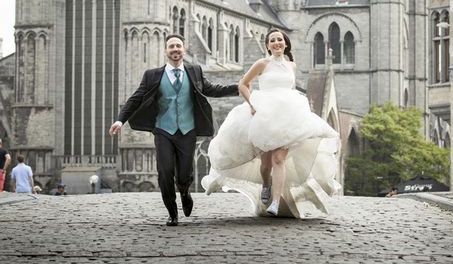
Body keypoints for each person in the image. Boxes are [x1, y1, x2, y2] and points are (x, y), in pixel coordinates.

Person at [201, 28, 340, 218]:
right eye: (273, 40)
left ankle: (275, 202)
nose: (277, 43)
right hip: (265, 115)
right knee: (266, 164)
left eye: (280, 40)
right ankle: (266, 184)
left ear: (285, 43)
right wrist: (250, 104)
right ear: (267, 45)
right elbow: (243, 83)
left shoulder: (292, 66)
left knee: (279, 159)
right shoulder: (262, 63)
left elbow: (289, 90)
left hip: (287, 116)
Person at [108, 34, 239, 226]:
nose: (175, 49)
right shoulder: (152, 75)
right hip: (163, 130)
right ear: (166, 51)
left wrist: (237, 87)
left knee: (184, 174)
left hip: (187, 130)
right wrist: (120, 120)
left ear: (184, 50)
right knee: (165, 171)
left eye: (178, 46)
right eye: (171, 46)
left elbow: (212, 89)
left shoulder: (194, 71)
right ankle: (172, 212)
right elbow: (136, 98)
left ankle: (185, 192)